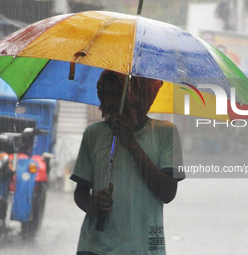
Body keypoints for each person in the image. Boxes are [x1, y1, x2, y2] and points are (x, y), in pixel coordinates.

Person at [70, 70, 184, 254]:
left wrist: (131, 143)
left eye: (117, 94)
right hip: (95, 247)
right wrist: (93, 205)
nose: (110, 102)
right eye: (105, 94)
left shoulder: (165, 133)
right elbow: (80, 193)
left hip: (144, 248)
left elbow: (168, 193)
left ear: (135, 96)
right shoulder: (93, 134)